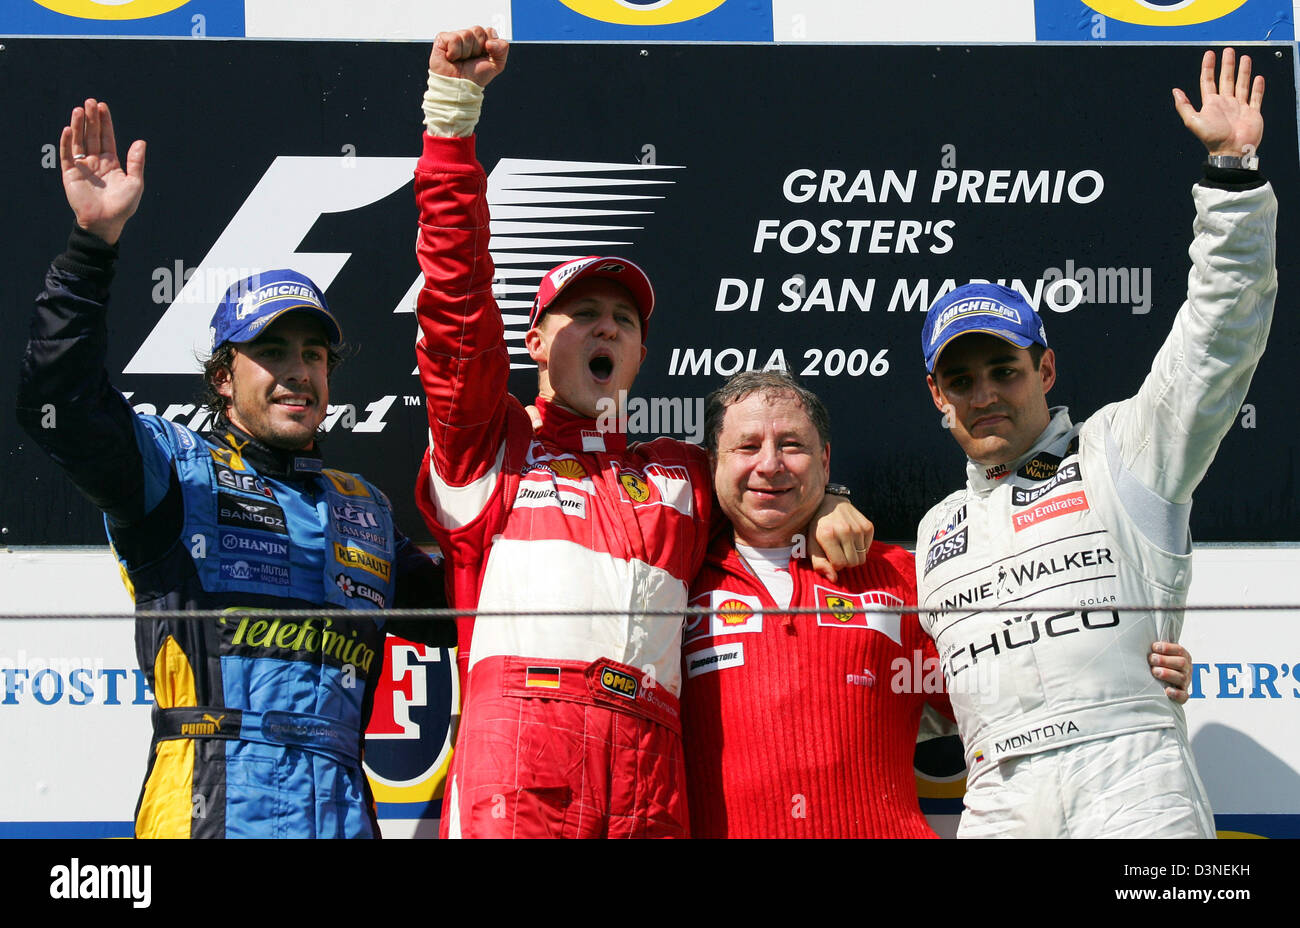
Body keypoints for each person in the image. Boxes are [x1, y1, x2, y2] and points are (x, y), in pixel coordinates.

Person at [412, 28, 870, 838]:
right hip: (522, 743)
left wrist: (826, 499)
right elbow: (455, 310)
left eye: (623, 320)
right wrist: (452, 117)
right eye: (582, 314)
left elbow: (768, 490)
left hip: (651, 762)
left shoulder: (684, 474)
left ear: (640, 353)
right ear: (536, 342)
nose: (605, 328)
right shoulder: (491, 446)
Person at [16, 99, 452, 838]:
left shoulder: (366, 511)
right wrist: (93, 245)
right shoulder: (171, 468)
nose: (297, 373)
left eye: (313, 355)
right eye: (272, 353)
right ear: (222, 376)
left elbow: (490, 606)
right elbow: (58, 402)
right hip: (206, 806)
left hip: (342, 811)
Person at [915, 49, 1275, 838]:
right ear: (938, 396)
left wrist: (1233, 175)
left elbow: (1219, 335)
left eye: (1004, 369)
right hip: (997, 793)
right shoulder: (933, 530)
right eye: (962, 379)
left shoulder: (1126, 448)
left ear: (1044, 368)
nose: (986, 395)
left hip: (1129, 775)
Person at [684, 372, 1194, 838]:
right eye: (746, 446)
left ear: (825, 461)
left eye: (792, 445)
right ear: (713, 463)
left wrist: (1124, 665)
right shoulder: (675, 580)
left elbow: (1004, 685)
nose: (769, 464)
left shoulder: (898, 574)